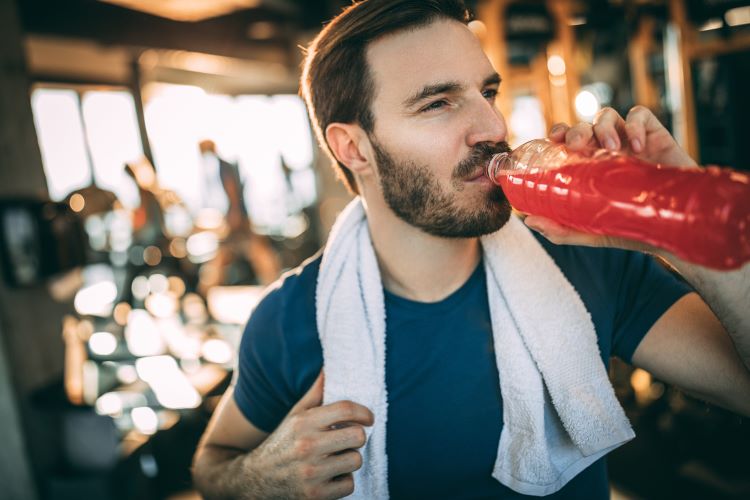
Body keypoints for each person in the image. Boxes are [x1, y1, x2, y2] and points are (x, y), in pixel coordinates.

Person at [192, 1, 750, 498]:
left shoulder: (584, 257)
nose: (493, 125)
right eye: (438, 103)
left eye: (487, 92)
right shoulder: (290, 319)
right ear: (353, 147)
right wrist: (260, 478)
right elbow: (211, 465)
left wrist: (686, 226)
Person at [197, 139, 281, 290]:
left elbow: (232, 191)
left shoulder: (223, 166)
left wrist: (235, 213)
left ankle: (272, 283)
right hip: (237, 216)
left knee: (251, 252)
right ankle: (272, 283)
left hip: (237, 218)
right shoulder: (223, 165)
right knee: (229, 255)